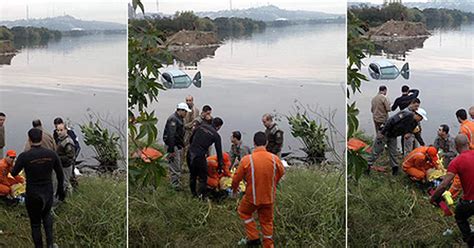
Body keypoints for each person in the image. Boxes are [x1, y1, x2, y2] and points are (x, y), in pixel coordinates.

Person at [11, 128, 65, 248]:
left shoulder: (24, 156)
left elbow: (14, 173)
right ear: (41, 138)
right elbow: (60, 174)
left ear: (29, 139)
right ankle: (50, 245)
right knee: (47, 217)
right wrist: (61, 190)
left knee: (35, 224)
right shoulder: (51, 154)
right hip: (47, 192)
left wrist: (9, 165)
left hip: (33, 194)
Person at [232, 131, 285, 247]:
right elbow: (281, 173)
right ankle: (268, 245)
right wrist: (273, 182)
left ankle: (254, 237)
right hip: (268, 197)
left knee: (243, 212)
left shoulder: (247, 160)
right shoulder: (275, 159)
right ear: (266, 143)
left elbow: (236, 178)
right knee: (267, 222)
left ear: (254, 143)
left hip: (252, 197)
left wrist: (235, 190)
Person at [431, 134, 474, 247]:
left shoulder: (456, 162)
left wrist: (434, 198)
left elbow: (444, 185)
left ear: (455, 146)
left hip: (470, 201)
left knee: (460, 216)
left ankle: (470, 241)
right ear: (469, 144)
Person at [367, 107, 427, 175]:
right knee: (377, 150)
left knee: (393, 152)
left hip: (393, 136)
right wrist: (382, 133)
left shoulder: (414, 123)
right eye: (421, 118)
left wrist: (422, 144)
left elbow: (416, 134)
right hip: (385, 133)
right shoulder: (406, 114)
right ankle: (367, 165)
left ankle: (395, 169)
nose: (421, 120)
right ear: (418, 115)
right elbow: (391, 120)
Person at [188, 117, 224, 199]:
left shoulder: (201, 126)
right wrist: (220, 166)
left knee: (192, 175)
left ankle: (193, 194)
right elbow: (219, 152)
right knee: (202, 178)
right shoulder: (216, 135)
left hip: (190, 153)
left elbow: (191, 139)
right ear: (219, 127)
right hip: (199, 156)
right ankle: (201, 196)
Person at [163, 103, 191, 190]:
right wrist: (171, 151)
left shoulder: (179, 119)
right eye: (185, 112)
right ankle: (174, 186)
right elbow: (171, 136)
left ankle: (176, 183)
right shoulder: (173, 120)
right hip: (173, 146)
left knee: (177, 165)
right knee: (175, 167)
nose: (186, 114)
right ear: (181, 111)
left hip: (176, 146)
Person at [56, 124, 76, 193]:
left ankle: (69, 197)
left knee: (66, 182)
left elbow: (70, 156)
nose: (59, 132)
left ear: (66, 130)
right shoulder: (60, 139)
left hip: (66, 165)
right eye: (58, 130)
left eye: (61, 130)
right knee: (62, 181)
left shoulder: (68, 142)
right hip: (62, 165)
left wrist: (58, 158)